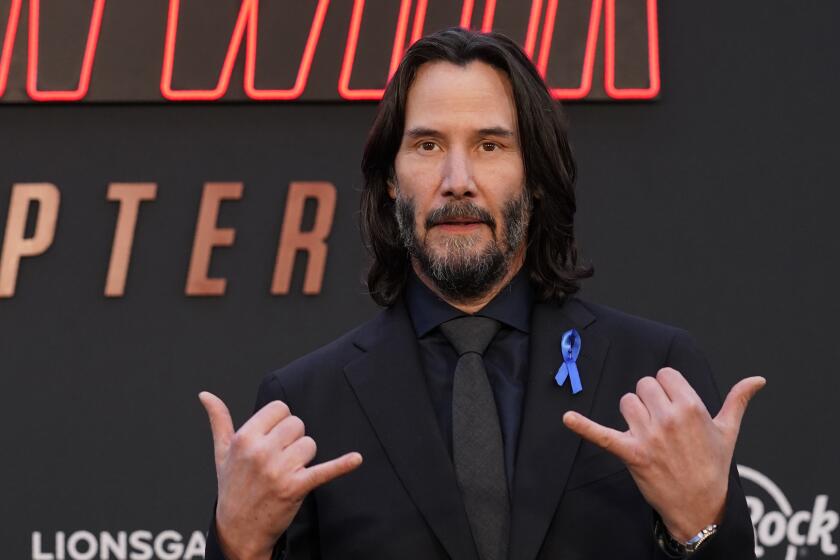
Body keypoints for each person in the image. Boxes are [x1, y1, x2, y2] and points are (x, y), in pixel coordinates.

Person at [200, 27, 762, 560]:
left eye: (490, 145)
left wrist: (700, 528)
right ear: (391, 178)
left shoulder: (652, 375)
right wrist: (239, 546)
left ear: (535, 178)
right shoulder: (307, 406)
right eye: (426, 145)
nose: (457, 178)